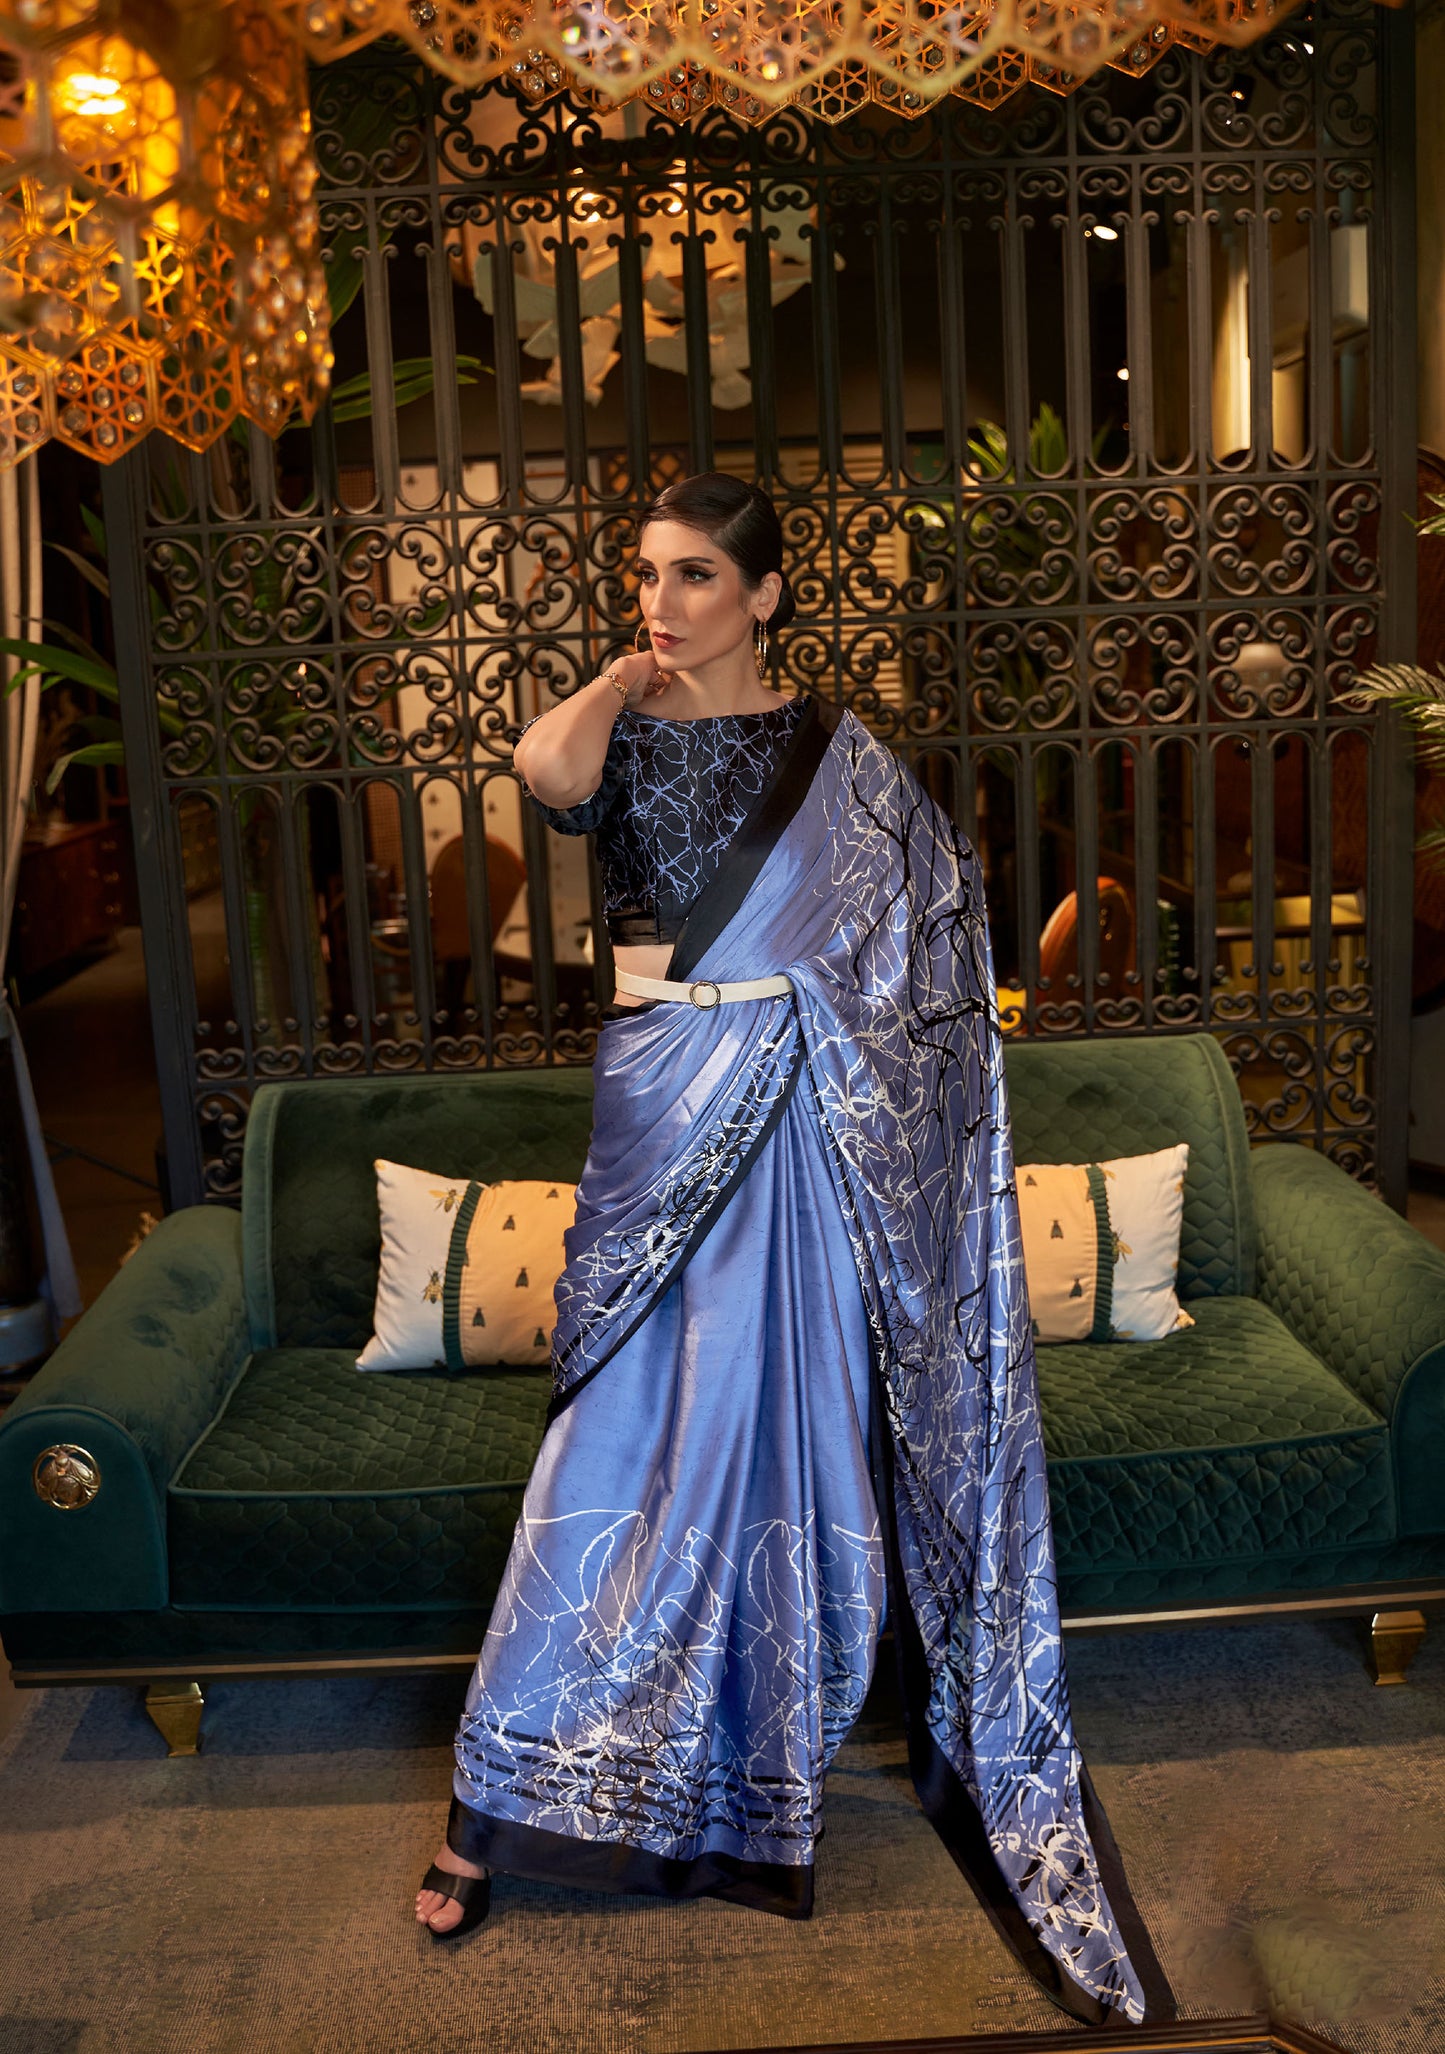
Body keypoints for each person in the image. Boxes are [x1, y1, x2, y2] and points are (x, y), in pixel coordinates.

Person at [412, 473, 1174, 2028]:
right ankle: (492, 1806)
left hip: (807, 1124)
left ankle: (748, 1776)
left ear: (763, 594)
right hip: (655, 1100)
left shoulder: (842, 756)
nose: (662, 600)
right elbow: (540, 769)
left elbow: (926, 935)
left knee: (790, 1439)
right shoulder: (621, 726)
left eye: (695, 576)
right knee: (606, 1445)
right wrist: (619, 674)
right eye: (646, 574)